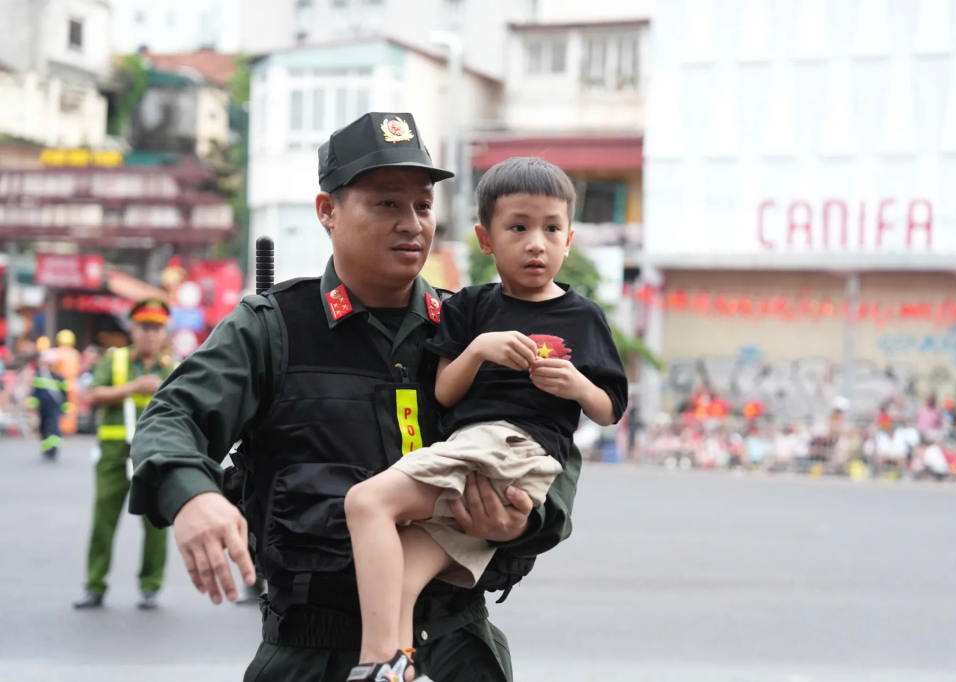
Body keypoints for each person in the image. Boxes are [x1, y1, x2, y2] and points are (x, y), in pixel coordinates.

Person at [126, 113, 581, 682]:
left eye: (422, 205)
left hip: (454, 646)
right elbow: (173, 415)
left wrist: (525, 519)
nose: (412, 224)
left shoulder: (474, 326)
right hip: (316, 654)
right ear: (328, 211)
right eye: (387, 204)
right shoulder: (273, 329)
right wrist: (191, 495)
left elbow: (552, 441)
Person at [341, 157, 628, 680]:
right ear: (486, 238)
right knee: (404, 570)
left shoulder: (582, 316)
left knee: (366, 502)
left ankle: (376, 662)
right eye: (518, 227)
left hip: (518, 450)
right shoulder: (471, 308)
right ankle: (399, 668)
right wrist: (478, 349)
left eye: (551, 228)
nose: (536, 243)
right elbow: (446, 393)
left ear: (569, 239)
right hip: (472, 444)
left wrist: (576, 384)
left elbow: (609, 408)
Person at [74, 299, 175, 610]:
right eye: (144, 327)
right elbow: (92, 395)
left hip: (154, 459)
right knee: (103, 522)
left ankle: (150, 586)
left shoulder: (171, 368)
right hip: (114, 458)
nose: (149, 335)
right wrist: (133, 387)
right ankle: (94, 585)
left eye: (156, 328)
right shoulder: (115, 360)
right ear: (133, 329)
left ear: (164, 333)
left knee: (156, 525)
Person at [27, 348, 69, 460]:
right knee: (43, 427)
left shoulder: (60, 378)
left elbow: (64, 394)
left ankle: (53, 449)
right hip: (43, 406)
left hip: (55, 406)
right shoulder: (39, 376)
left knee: (55, 427)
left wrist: (65, 408)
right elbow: (35, 392)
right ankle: (46, 447)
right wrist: (32, 405)